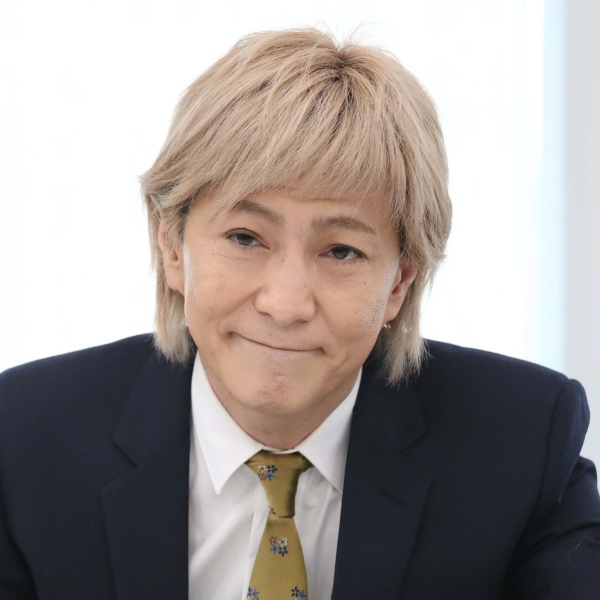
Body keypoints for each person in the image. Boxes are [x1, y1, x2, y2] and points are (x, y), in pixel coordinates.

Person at [0, 27, 599, 600]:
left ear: (399, 281)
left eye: (341, 251)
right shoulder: (24, 439)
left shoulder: (523, 442)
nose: (285, 305)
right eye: (245, 238)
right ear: (172, 247)